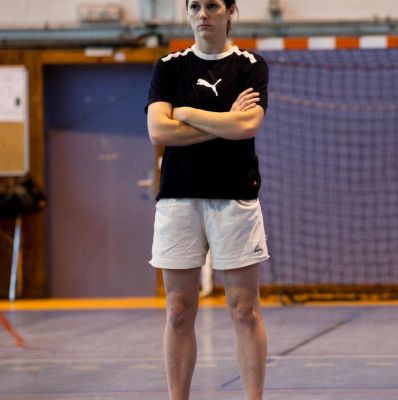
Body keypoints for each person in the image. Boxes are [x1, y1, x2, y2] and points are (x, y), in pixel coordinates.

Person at [145, 1, 269, 399]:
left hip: (235, 198)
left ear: (230, 11)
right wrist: (223, 122)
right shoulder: (169, 67)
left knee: (244, 310)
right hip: (178, 200)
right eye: (194, 5)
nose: (203, 13)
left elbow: (247, 125)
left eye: (212, 5)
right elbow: (158, 132)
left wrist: (185, 112)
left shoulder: (250, 65)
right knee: (179, 311)